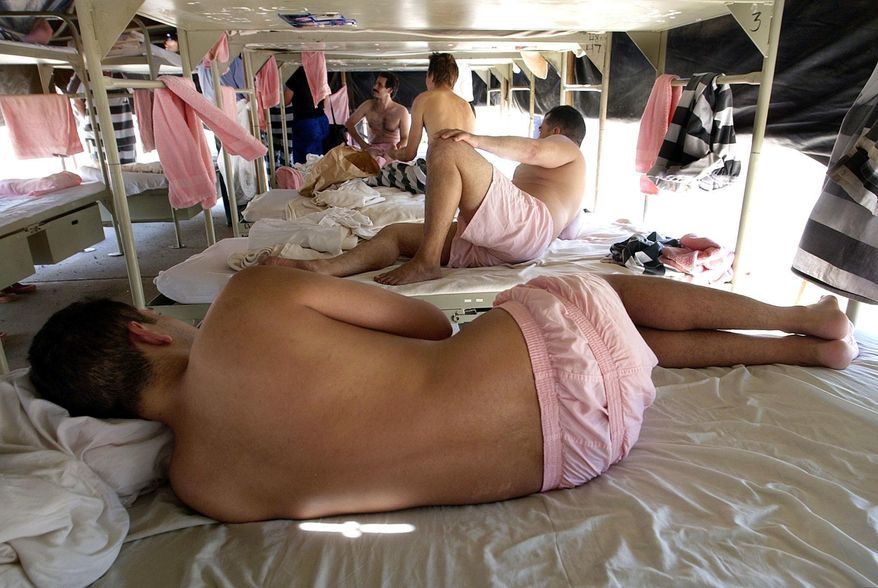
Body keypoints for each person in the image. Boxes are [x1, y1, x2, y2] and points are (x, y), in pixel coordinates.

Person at [28, 266, 858, 523]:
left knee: (605, 352)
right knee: (576, 288)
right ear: (147, 330)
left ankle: (798, 343)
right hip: (557, 358)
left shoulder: (202, 487)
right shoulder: (247, 303)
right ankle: (800, 321)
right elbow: (427, 324)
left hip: (581, 450)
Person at [263, 104, 585, 286]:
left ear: (555, 131)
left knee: (448, 147)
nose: (538, 134)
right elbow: (570, 232)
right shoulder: (572, 182)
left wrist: (476, 139)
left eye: (542, 129)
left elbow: (531, 149)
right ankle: (324, 269)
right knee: (395, 235)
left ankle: (427, 261)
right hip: (512, 245)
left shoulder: (565, 145)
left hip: (527, 229)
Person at [388, 52, 475, 164]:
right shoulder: (466, 105)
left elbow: (409, 154)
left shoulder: (423, 100)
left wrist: (393, 153)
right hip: (468, 169)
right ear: (455, 78)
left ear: (431, 75)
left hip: (443, 169)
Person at [345, 72, 411, 160]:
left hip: (392, 148)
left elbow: (405, 138)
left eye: (380, 85)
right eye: (375, 83)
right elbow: (349, 123)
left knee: (390, 160)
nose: (375, 87)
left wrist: (397, 149)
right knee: (369, 159)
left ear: (389, 90)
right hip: (373, 148)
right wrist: (363, 144)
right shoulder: (368, 105)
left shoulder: (401, 111)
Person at [286, 66, 329, 163]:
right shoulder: (320, 74)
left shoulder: (296, 75)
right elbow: (326, 102)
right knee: (319, 158)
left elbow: (286, 101)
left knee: (305, 161)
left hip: (306, 122)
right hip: (322, 120)